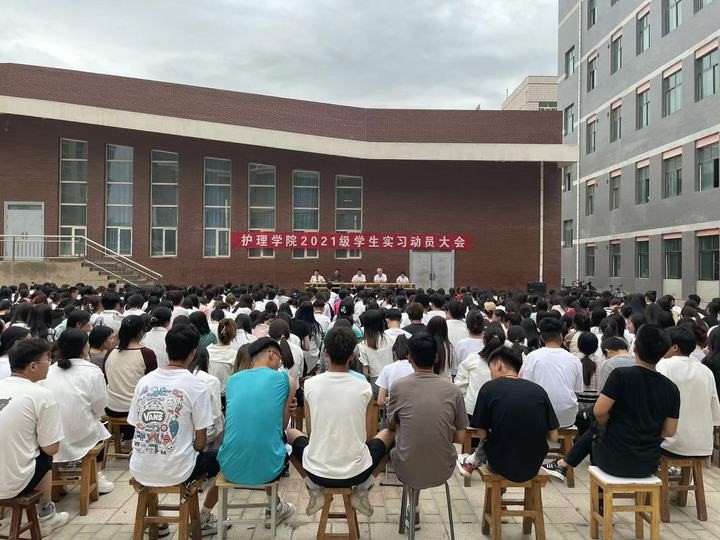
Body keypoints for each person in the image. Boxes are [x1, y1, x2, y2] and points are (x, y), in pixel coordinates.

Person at [543, 325, 680, 480]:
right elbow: (669, 431)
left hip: (611, 460)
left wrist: (611, 426)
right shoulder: (671, 388)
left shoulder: (621, 375)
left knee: (596, 425)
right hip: (648, 464)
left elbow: (599, 412)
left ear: (635, 348)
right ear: (663, 353)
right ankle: (563, 464)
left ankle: (564, 464)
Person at [287, 327, 394, 517]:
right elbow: (368, 435)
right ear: (352, 355)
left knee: (290, 434)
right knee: (390, 433)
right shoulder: (364, 388)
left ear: (325, 353)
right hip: (357, 472)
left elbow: (311, 431)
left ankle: (313, 489)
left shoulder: (310, 385)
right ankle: (363, 488)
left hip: (316, 471)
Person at [128, 324, 219, 536]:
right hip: (179, 470)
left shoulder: (144, 382)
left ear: (167, 349)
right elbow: (200, 442)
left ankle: (158, 520)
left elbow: (135, 423)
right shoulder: (196, 385)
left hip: (139, 467)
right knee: (220, 459)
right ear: (193, 352)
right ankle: (203, 518)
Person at [387, 332, 467, 523]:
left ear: (409, 359)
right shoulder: (453, 390)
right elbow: (461, 437)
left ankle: (409, 505)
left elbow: (391, 424)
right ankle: (413, 506)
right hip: (443, 467)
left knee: (399, 442)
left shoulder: (398, 387)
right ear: (436, 358)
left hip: (406, 466)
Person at [218, 338, 297, 527]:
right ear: (272, 354)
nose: (279, 364)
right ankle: (276, 507)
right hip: (268, 468)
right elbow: (281, 426)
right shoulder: (286, 380)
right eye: (279, 359)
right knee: (286, 437)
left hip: (230, 467)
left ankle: (276, 506)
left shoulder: (233, 381)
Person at [457, 347, 559, 481]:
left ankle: (471, 462)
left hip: (500, 465)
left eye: (490, 369)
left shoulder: (489, 388)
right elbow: (554, 436)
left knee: (493, 435)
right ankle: (472, 462)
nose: (491, 374)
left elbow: (482, 434)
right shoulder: (539, 391)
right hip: (533, 465)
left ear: (498, 365)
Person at [0, 338, 70, 533]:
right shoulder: (41, 394)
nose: (50, 363)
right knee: (45, 453)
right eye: (48, 359)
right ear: (33, 366)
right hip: (11, 482)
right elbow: (52, 448)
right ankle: (47, 514)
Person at [41, 329, 114, 493]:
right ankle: (97, 475)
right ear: (84, 348)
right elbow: (100, 405)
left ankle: (59, 476)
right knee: (100, 428)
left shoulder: (49, 370)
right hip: (80, 432)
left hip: (51, 435)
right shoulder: (92, 371)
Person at [656, 326, 720, 458]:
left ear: (675, 347)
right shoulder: (705, 370)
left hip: (670, 444)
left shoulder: (664, 365)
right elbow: (715, 414)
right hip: (703, 445)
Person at [104, 315, 158, 448]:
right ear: (141, 332)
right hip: (134, 410)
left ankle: (127, 438)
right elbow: (152, 384)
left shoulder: (110, 353)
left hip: (112, 408)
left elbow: (107, 378)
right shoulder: (146, 354)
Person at [521, 317, 583, 428]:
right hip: (567, 415)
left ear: (541, 338)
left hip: (540, 414)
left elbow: (527, 388)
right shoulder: (574, 360)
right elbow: (577, 392)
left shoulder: (532, 357)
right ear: (561, 336)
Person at [455, 325, 505, 418]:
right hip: (498, 411)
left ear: (483, 340)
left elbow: (459, 386)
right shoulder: (507, 364)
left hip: (472, 410)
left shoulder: (472, 358)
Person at [358, 309, 396, 391]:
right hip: (392, 379)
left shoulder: (363, 345)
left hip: (376, 383)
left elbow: (365, 373)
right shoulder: (391, 340)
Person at [376, 336, 414, 408]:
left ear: (394, 352)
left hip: (395, 410)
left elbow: (380, 401)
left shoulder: (387, 369)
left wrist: (388, 400)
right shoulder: (416, 367)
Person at [207, 319, 239, 400]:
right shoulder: (234, 354)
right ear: (233, 335)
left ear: (218, 333)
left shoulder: (207, 350)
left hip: (208, 393)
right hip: (225, 396)